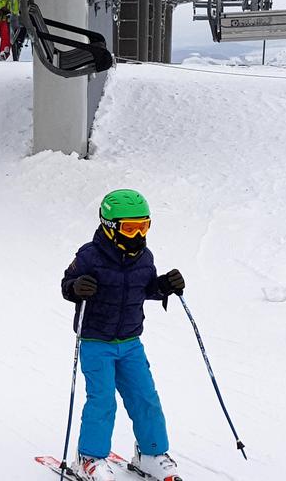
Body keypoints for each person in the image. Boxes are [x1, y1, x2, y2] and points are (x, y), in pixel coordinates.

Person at [61, 189, 185, 481]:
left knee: (145, 397)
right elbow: (67, 284)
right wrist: (77, 286)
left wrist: (164, 285)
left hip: (130, 342)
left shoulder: (144, 257)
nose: (138, 234)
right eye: (130, 228)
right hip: (96, 341)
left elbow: (144, 289)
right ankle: (89, 458)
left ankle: (151, 453)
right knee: (103, 401)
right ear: (110, 226)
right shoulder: (89, 255)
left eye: (144, 226)